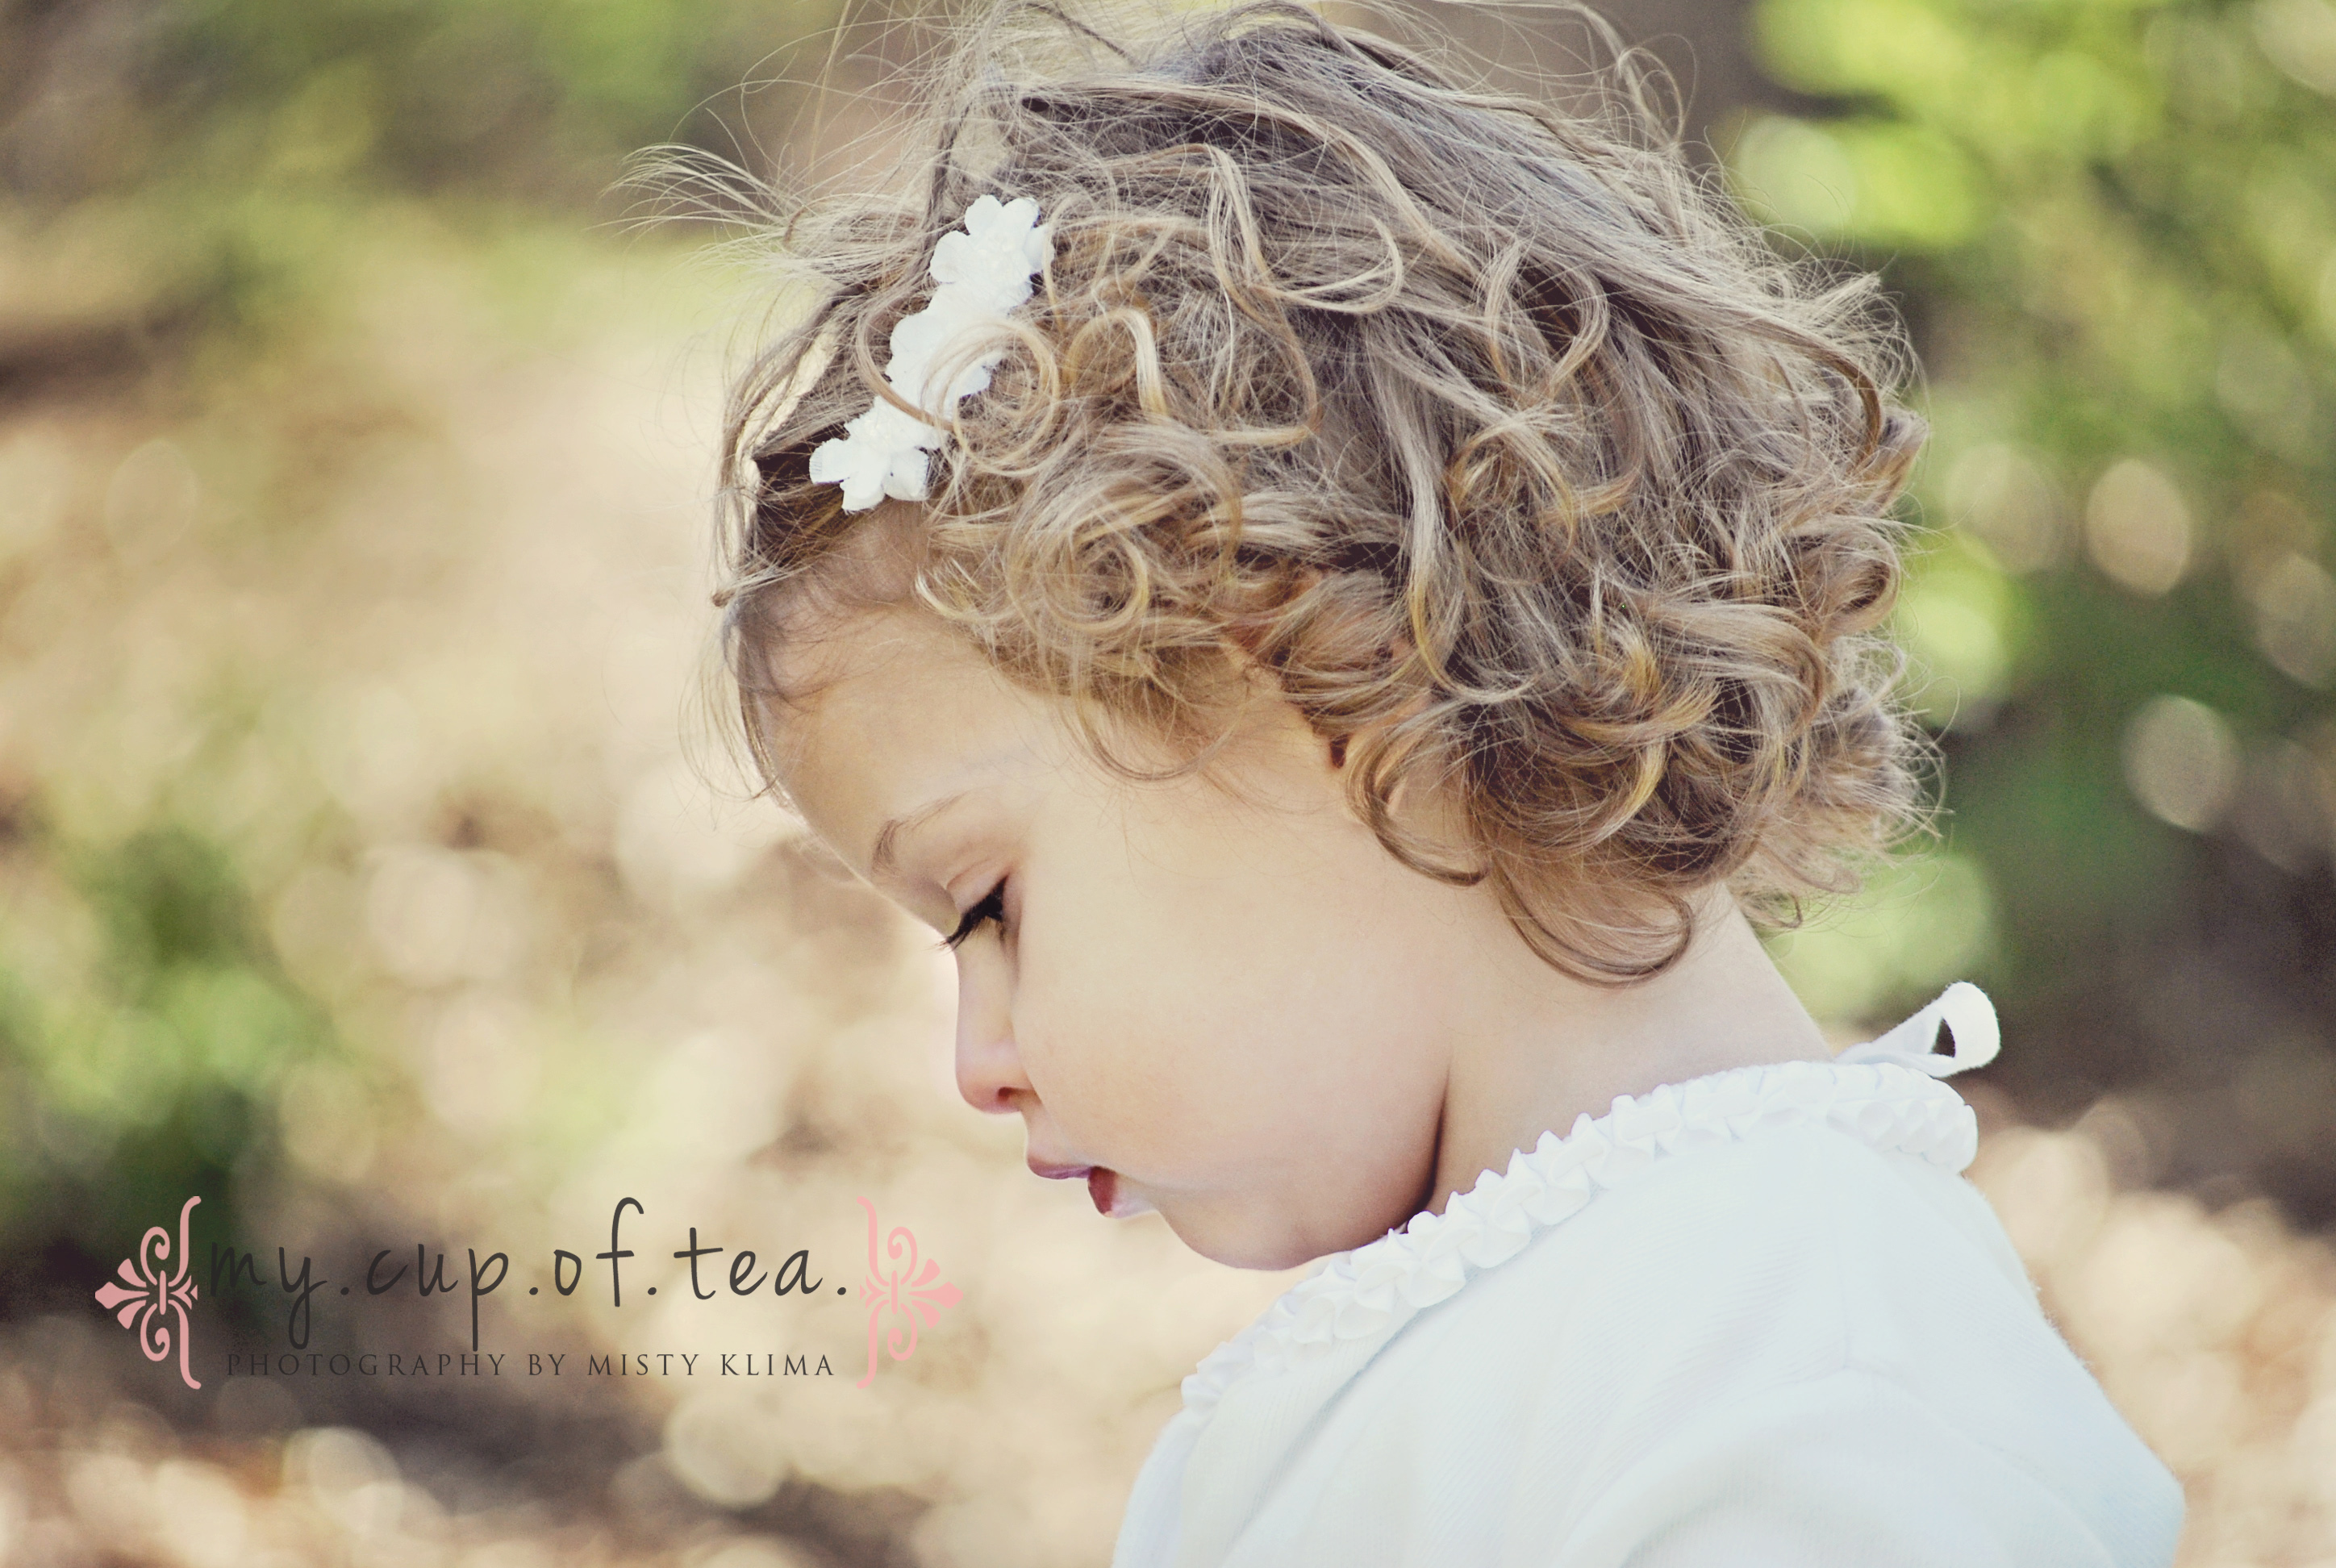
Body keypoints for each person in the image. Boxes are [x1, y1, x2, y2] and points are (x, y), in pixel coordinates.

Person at [691, 0, 2187, 1560]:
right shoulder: (1574, 1321)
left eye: (987, 906)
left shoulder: (1812, 1370)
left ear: (1311, 671)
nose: (975, 1064)